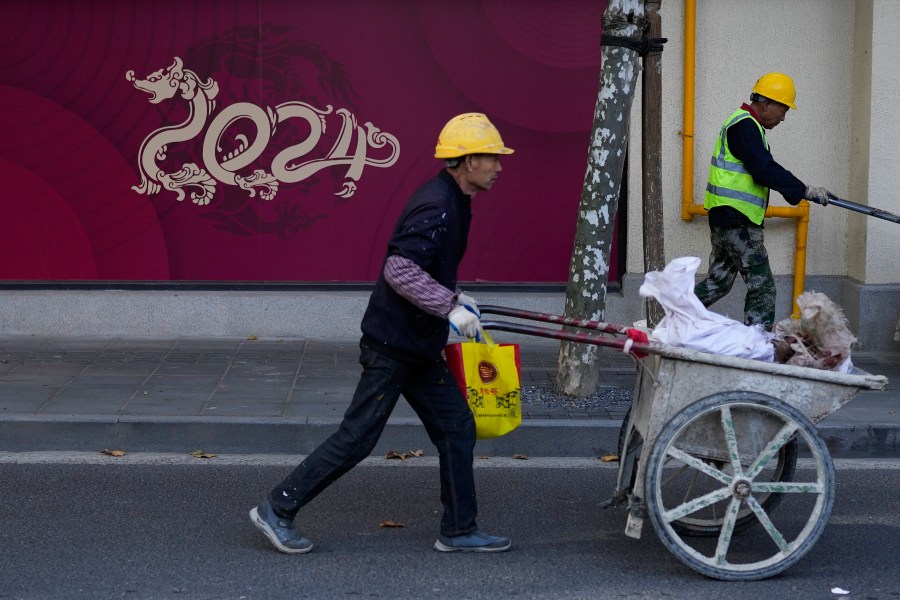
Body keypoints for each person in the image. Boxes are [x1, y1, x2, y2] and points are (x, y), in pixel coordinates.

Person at [250, 113, 514, 554]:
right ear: (468, 160)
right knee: (357, 438)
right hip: (393, 346)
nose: (499, 166)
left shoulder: (456, 200)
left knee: (457, 430)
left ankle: (459, 530)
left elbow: (427, 266)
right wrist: (448, 306)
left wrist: (457, 297)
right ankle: (278, 508)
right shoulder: (438, 204)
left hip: (417, 344)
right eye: (492, 158)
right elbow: (400, 269)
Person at [694, 72, 833, 330]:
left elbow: (760, 168)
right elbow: (763, 169)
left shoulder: (744, 125)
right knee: (763, 287)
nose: (783, 117)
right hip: (738, 220)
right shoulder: (744, 125)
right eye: (783, 109)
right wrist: (803, 190)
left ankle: (668, 318)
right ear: (766, 103)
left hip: (725, 218)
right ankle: (758, 348)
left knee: (718, 283)